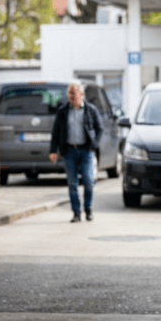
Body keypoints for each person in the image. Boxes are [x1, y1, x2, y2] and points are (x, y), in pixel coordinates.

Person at [49, 82, 103, 222]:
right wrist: (53, 150)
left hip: (86, 151)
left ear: (81, 93)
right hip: (69, 151)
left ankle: (88, 208)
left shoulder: (91, 110)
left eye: (74, 93)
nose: (72, 96)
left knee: (88, 181)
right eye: (70, 93)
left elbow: (100, 129)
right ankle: (76, 213)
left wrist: (94, 144)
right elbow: (56, 132)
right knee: (72, 184)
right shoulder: (63, 111)